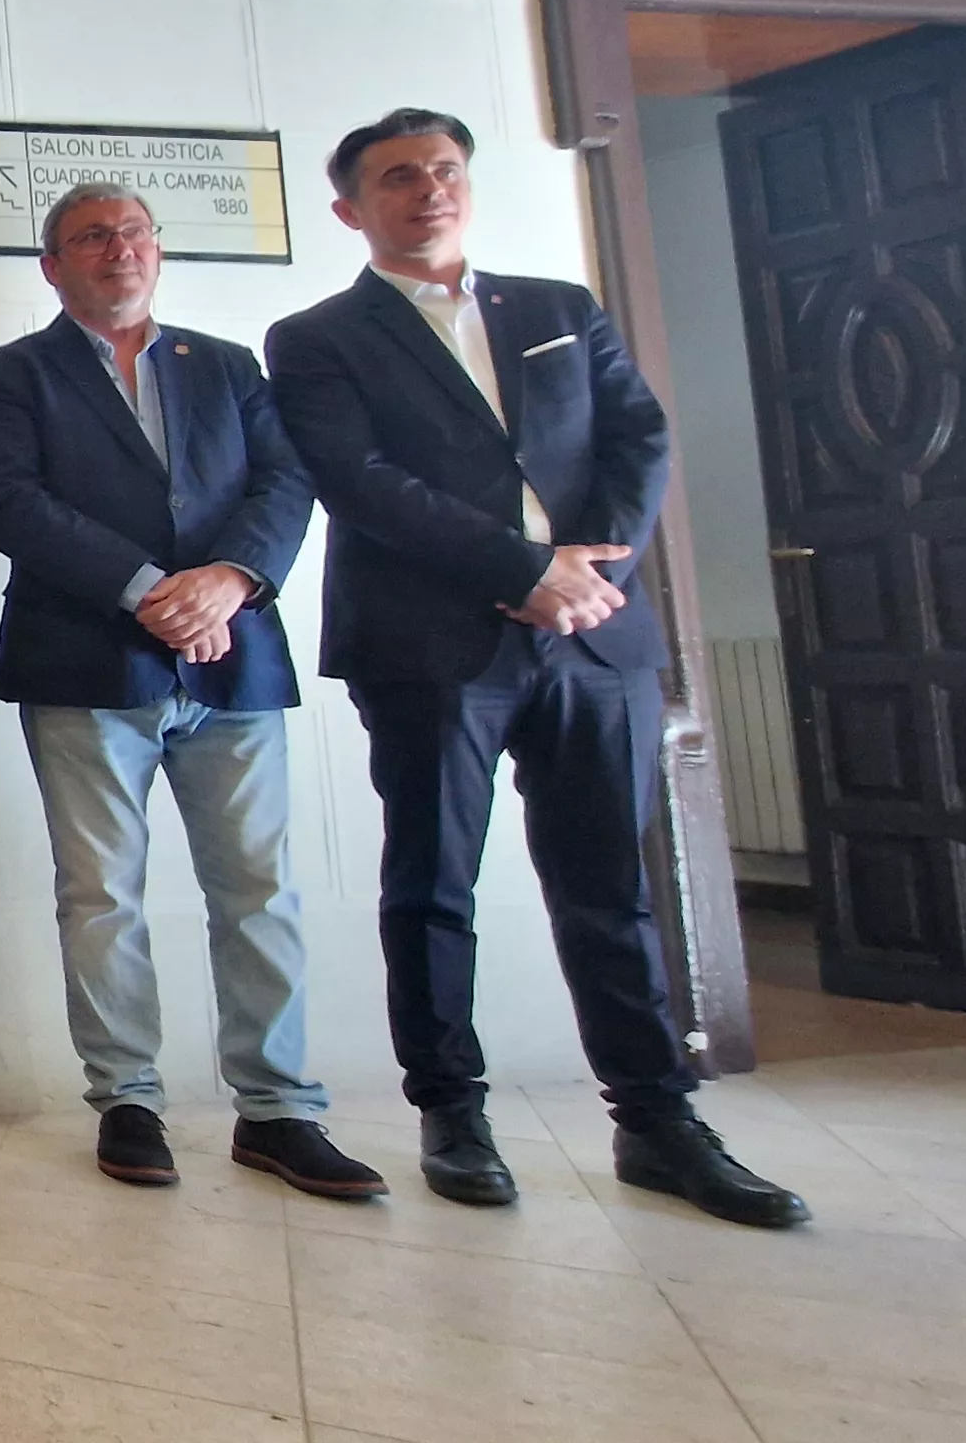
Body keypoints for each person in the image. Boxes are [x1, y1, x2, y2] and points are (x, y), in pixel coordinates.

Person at [266, 109, 805, 1228]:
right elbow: (358, 482)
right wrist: (521, 568)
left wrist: (584, 570)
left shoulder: (558, 309)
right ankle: (451, 1114)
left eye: (445, 170)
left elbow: (636, 439)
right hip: (432, 643)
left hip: (592, 636)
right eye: (399, 177)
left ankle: (657, 1120)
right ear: (348, 209)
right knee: (431, 887)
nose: (428, 190)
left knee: (611, 888)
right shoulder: (315, 337)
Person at [0, 181, 382, 1199]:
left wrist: (226, 582)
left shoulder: (229, 367)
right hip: (84, 660)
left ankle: (278, 1111)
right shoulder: (6, 374)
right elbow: (14, 503)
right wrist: (148, 590)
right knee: (101, 893)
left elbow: (285, 486)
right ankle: (127, 1100)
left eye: (134, 232)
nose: (118, 250)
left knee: (256, 888)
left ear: (159, 249)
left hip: (231, 658)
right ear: (51, 266)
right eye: (90, 238)